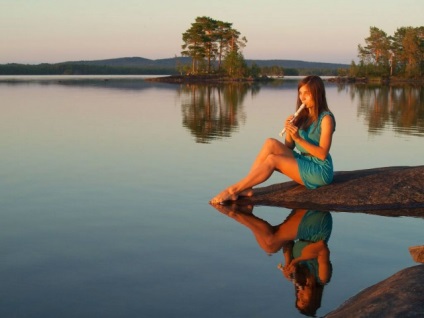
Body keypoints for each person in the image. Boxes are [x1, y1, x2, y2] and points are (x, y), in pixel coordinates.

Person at [210, 75, 336, 204]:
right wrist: (289, 130)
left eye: (307, 93)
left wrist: (298, 138)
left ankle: (233, 190)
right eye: (300, 93)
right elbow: (288, 148)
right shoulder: (303, 117)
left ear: (317, 94)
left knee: (273, 160)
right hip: (305, 160)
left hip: (320, 169)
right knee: (270, 143)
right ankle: (247, 188)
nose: (302, 97)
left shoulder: (326, 119)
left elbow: (322, 154)